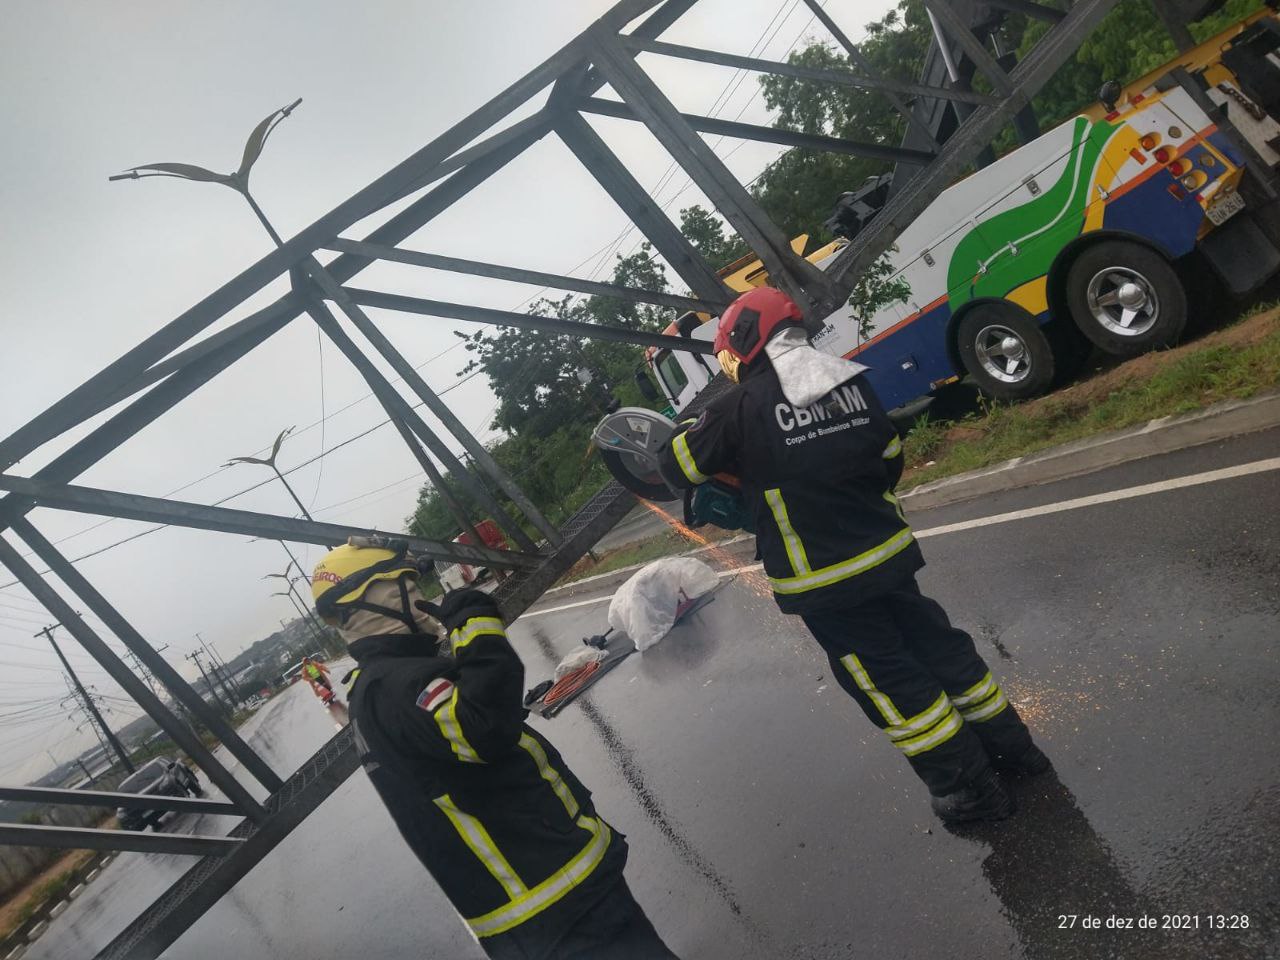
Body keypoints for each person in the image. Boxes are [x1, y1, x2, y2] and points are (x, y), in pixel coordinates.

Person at [656, 286, 1049, 824]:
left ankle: (972, 792)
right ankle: (1018, 754)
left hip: (825, 582)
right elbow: (889, 458)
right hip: (888, 557)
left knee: (887, 682)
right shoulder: (851, 383)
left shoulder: (736, 408)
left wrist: (691, 435)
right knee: (943, 651)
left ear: (744, 342)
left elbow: (675, 467)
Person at [311, 542, 678, 959]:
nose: (419, 596)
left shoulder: (377, 687)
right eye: (406, 585)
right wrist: (477, 630)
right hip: (558, 904)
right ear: (371, 602)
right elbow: (484, 728)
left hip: (550, 902)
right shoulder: (399, 687)